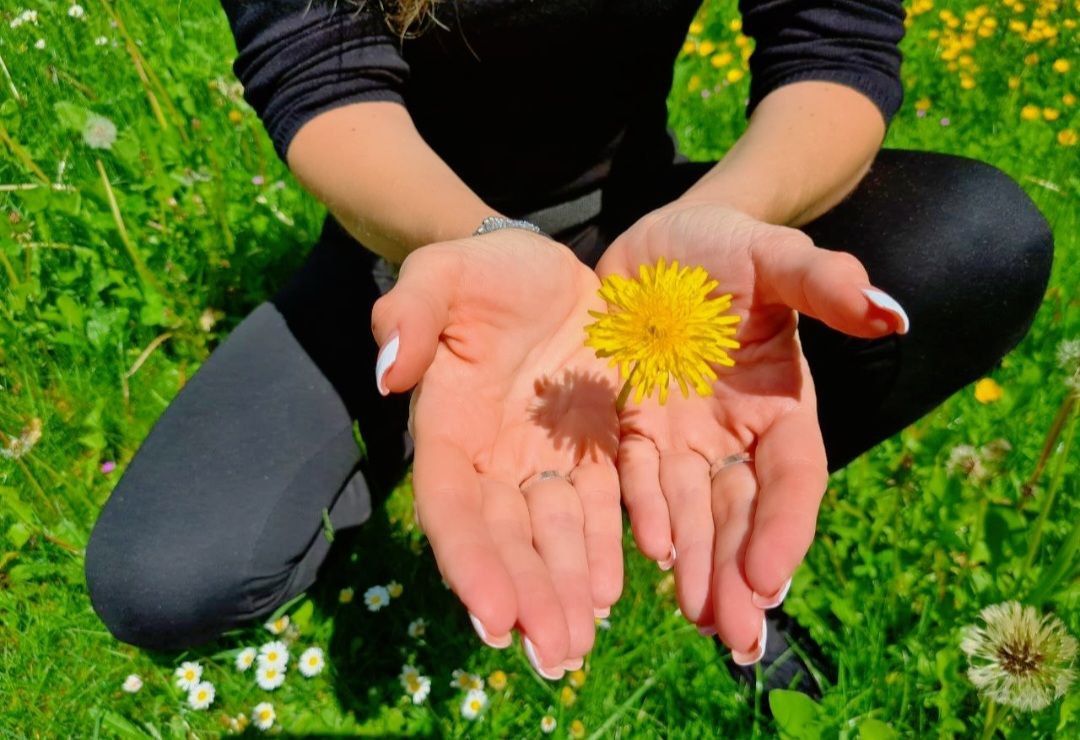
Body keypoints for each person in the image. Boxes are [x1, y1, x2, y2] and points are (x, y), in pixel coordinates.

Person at [85, 0, 1052, 684]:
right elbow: (317, 81)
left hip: (647, 223)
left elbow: (834, 46)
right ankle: (440, 454)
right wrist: (476, 249)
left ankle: (717, 527)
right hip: (407, 250)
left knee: (980, 239)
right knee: (161, 579)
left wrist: (719, 218)